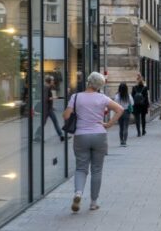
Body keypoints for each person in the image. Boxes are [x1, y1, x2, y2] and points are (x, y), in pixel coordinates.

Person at [63, 72, 123, 213]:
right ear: (100, 85)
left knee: (81, 168)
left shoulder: (76, 97)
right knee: (97, 169)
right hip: (99, 135)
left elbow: (66, 116)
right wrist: (109, 124)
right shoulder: (103, 98)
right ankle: (93, 203)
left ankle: (78, 193)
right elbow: (120, 109)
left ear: (88, 82)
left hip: (81, 135)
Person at [34, 75, 64, 142]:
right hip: (46, 109)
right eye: (52, 80)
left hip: (48, 109)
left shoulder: (48, 87)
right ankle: (37, 136)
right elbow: (45, 98)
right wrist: (52, 98)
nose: (53, 81)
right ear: (49, 81)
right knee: (44, 123)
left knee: (54, 122)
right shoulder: (46, 88)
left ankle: (61, 136)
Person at [113, 82, 133, 147]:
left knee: (121, 127)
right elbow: (132, 103)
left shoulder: (117, 96)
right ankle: (125, 141)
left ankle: (121, 141)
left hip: (119, 112)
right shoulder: (128, 95)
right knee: (126, 127)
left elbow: (115, 103)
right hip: (126, 111)